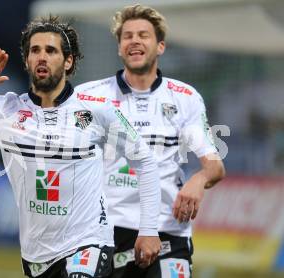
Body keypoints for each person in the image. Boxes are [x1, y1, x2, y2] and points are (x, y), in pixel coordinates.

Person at [0, 16, 161, 278]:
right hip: (36, 254)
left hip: (88, 242)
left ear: (68, 61)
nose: (42, 57)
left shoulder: (98, 109)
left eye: (51, 50)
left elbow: (145, 162)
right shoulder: (5, 110)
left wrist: (148, 229)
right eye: (35, 50)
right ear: (27, 60)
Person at [74, 5, 226, 278]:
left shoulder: (185, 98)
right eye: (127, 36)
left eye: (143, 35)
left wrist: (199, 180)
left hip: (167, 228)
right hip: (105, 229)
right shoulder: (89, 96)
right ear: (120, 48)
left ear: (160, 46)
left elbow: (215, 167)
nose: (134, 40)